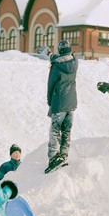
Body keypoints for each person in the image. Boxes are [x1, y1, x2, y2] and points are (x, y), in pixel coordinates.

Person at [45, 39, 78, 172]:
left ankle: (53, 157)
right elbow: (61, 58)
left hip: (58, 101)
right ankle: (64, 155)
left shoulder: (56, 66)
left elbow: (51, 84)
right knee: (66, 131)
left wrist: (49, 102)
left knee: (55, 130)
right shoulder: (74, 62)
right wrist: (50, 55)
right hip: (71, 102)